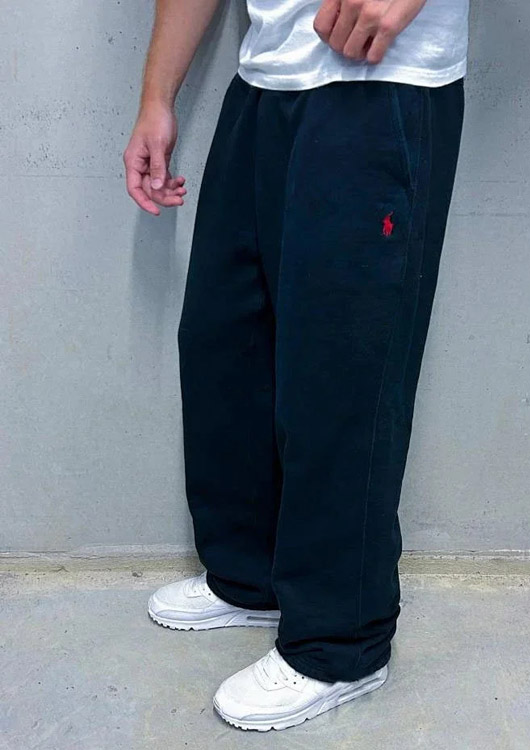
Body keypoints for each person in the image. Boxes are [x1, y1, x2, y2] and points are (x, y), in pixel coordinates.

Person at [124, 0, 468, 732]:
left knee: (343, 378)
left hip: (384, 84)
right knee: (226, 347)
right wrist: (157, 95)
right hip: (264, 83)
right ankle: (250, 575)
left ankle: (341, 643)